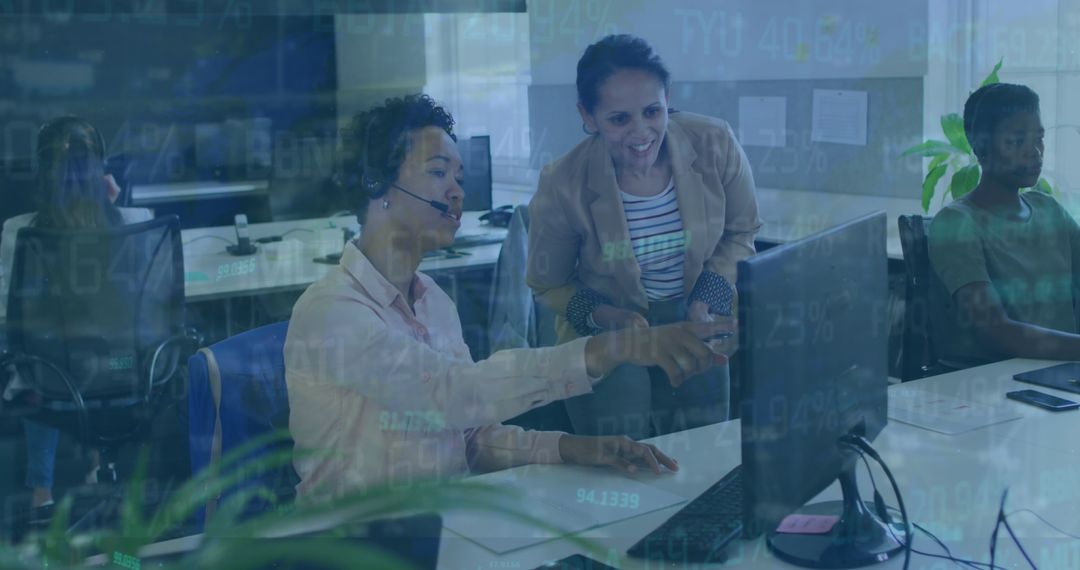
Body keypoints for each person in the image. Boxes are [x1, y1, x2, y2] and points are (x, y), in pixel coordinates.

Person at [284, 94, 731, 502]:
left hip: (441, 529)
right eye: (438, 172)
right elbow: (451, 396)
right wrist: (608, 348)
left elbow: (469, 436)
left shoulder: (435, 302)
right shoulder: (332, 312)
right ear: (376, 184)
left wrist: (572, 448)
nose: (458, 191)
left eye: (460, 176)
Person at [526, 35, 762, 439]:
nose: (641, 133)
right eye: (619, 119)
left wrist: (711, 294)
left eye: (653, 111)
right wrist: (605, 315)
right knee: (619, 462)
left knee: (702, 455)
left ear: (667, 99)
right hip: (607, 330)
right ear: (588, 115)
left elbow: (742, 232)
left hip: (694, 316)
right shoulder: (563, 182)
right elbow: (548, 283)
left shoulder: (714, 143)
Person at [0, 117, 153, 510]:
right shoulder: (137, 223)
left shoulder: (19, 232)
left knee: (38, 363)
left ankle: (41, 493)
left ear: (43, 174)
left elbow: (8, 310)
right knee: (101, 352)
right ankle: (100, 465)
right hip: (121, 369)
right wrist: (110, 207)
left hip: (53, 377)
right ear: (100, 171)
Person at [929, 83, 1080, 364]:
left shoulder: (1049, 210)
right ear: (982, 148)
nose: (1034, 151)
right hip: (996, 388)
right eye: (1017, 141)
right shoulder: (958, 223)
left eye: (1039, 138)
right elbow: (996, 331)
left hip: (1062, 375)